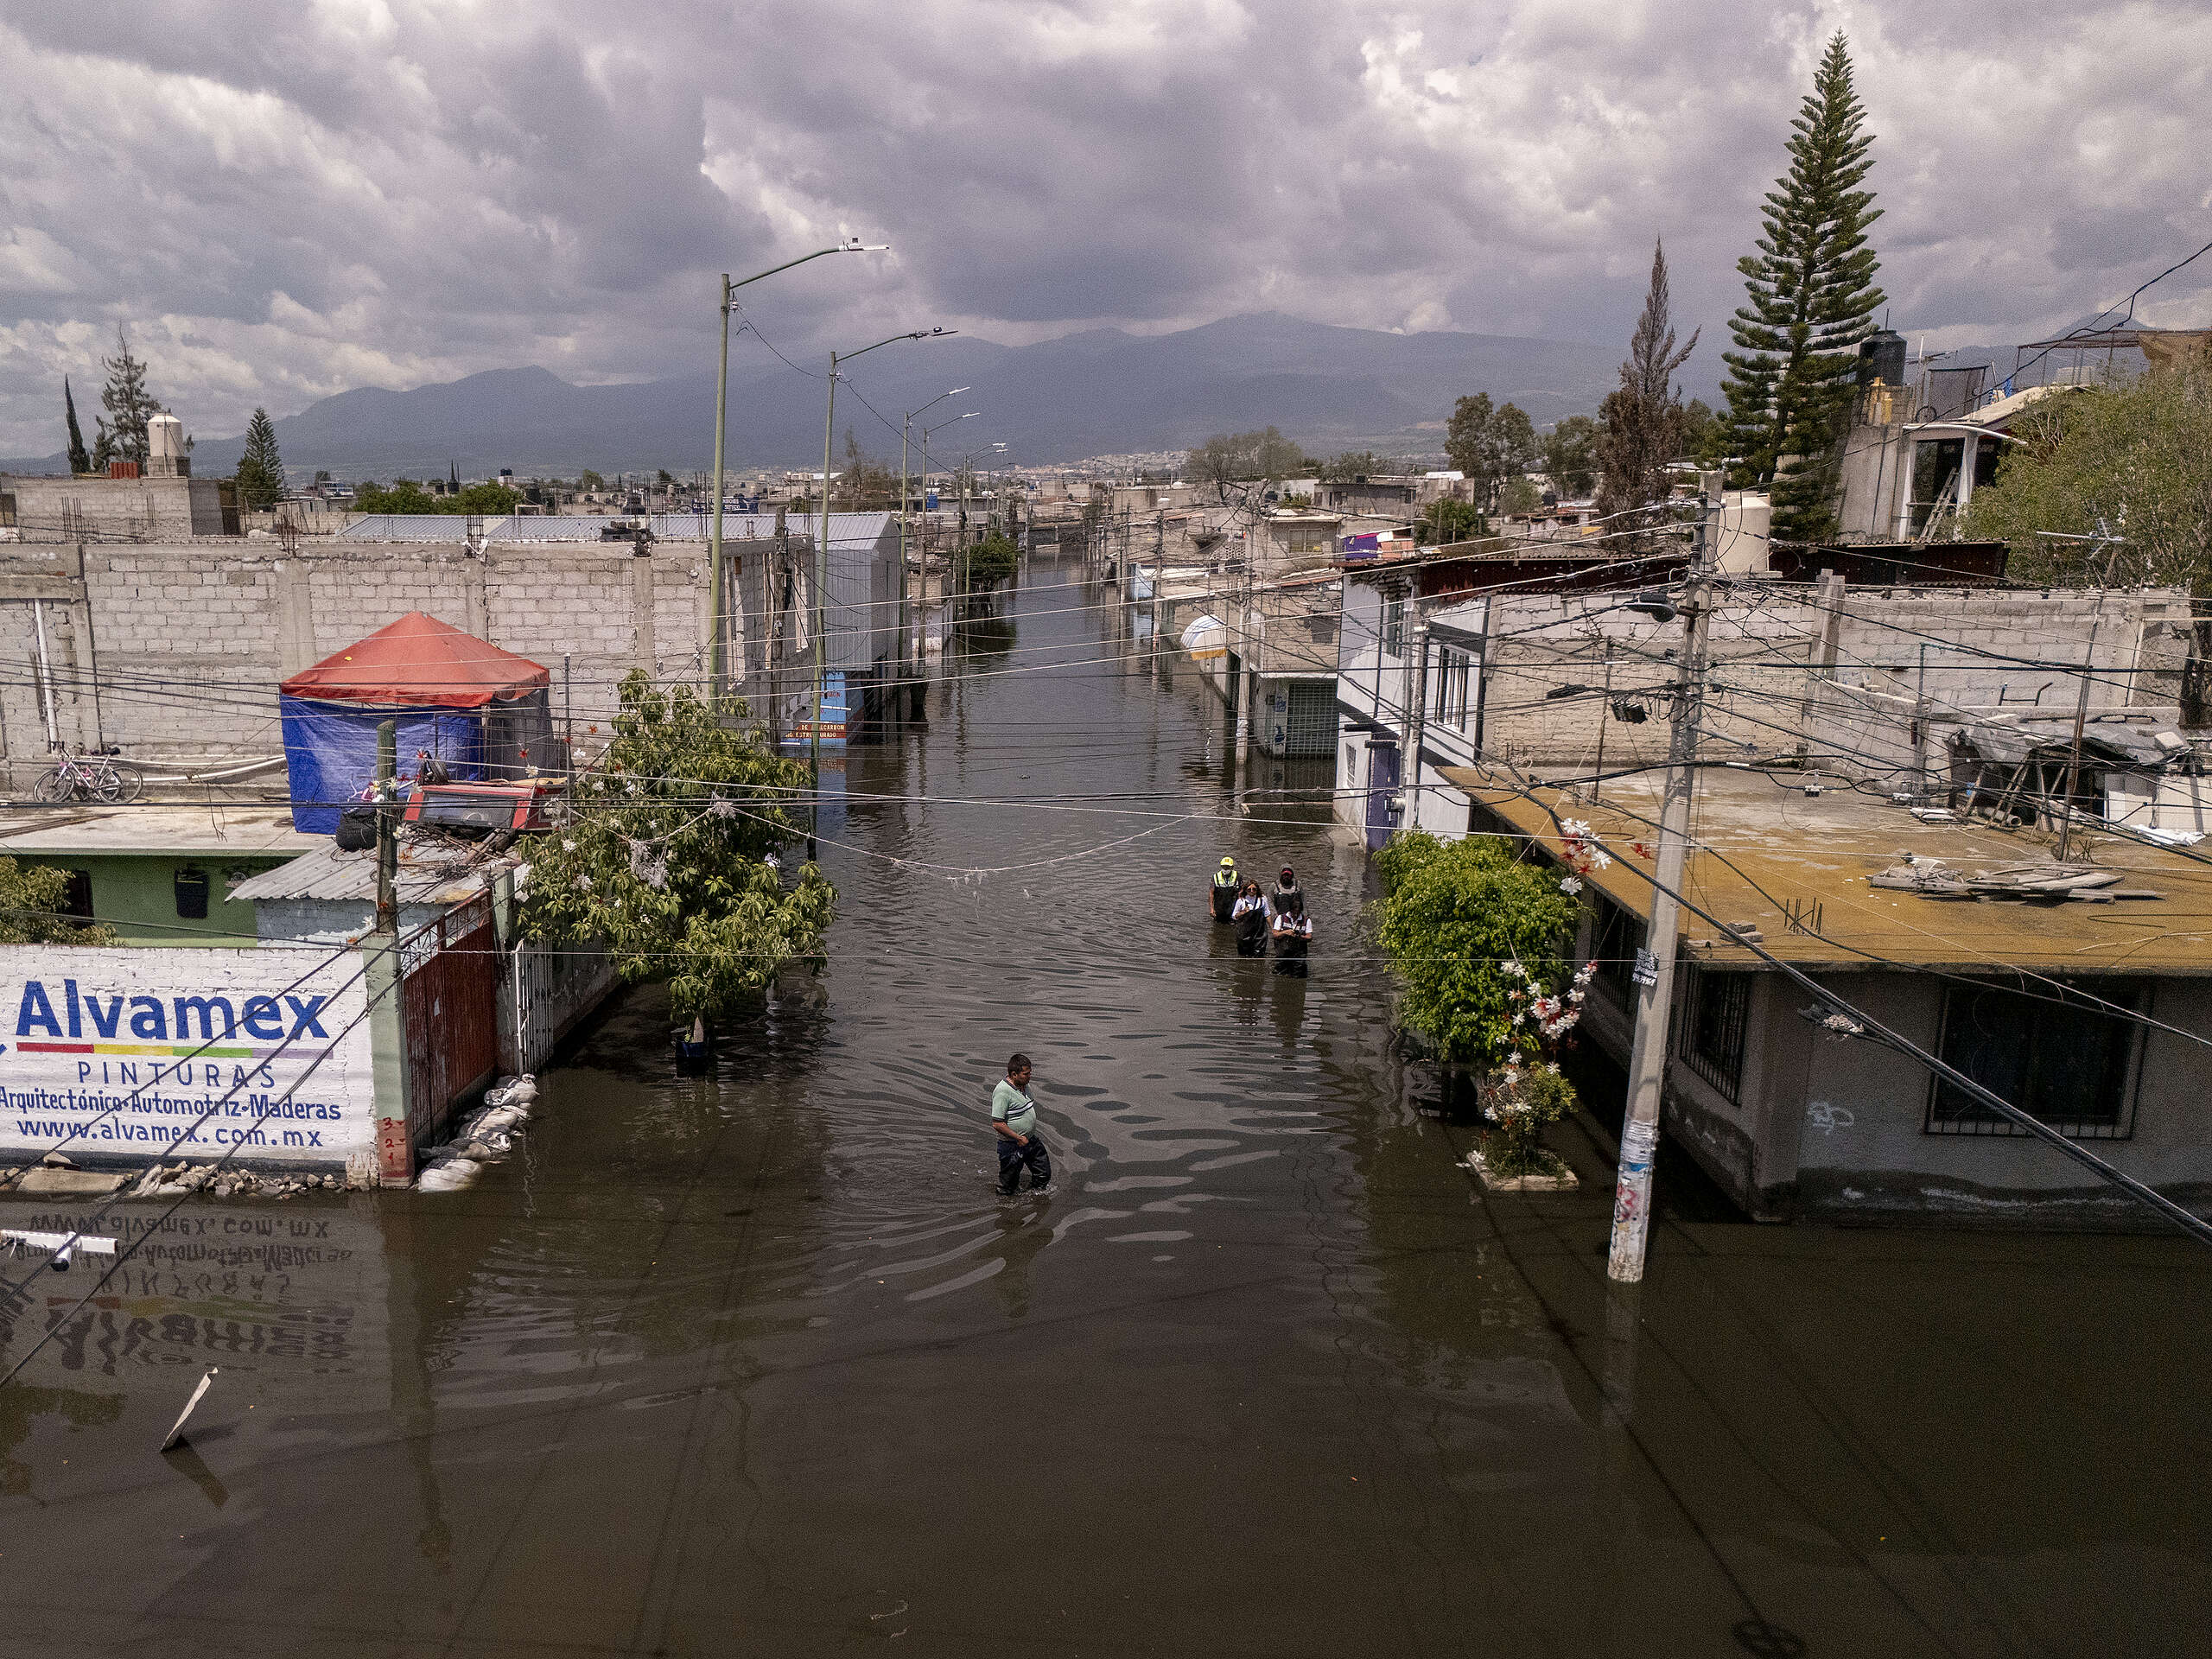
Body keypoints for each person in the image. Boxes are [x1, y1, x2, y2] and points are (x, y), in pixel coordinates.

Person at [992, 1052, 1051, 1196]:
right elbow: (997, 1123)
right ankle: (1006, 1207)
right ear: (1014, 1074)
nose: (1030, 1077)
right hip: (1012, 1144)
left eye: (1030, 1073)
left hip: (1030, 1140)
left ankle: (1035, 1198)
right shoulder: (1002, 1092)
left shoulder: (1024, 1085)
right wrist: (1018, 1138)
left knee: (1043, 1173)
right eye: (1026, 1074)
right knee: (1008, 1185)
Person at [1271, 895, 1313, 977]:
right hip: (1282, 953)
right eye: (1294, 913)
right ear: (1290, 910)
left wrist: (1299, 936)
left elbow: (1309, 937)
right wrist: (1286, 932)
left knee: (1299, 975)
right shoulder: (1281, 918)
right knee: (1279, 976)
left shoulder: (1306, 920)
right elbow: (1275, 934)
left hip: (1299, 955)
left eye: (1298, 913)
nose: (1296, 915)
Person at [1231, 879, 1269, 957]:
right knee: (1244, 955)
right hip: (1244, 933)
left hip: (1259, 932)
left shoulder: (1263, 899)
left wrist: (1273, 929)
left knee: (1259, 955)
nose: (1252, 891)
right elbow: (1234, 916)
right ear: (1246, 890)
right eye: (1249, 889)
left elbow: (1267, 914)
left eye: (1254, 889)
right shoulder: (1241, 901)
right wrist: (1243, 912)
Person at [1209, 855, 1240, 923]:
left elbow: (1242, 892)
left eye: (1228, 867)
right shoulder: (1215, 877)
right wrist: (1211, 909)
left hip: (1233, 908)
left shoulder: (1238, 877)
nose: (1225, 869)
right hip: (1219, 908)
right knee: (1217, 926)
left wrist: (1241, 908)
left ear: (1232, 867)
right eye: (1224, 867)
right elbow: (1211, 893)